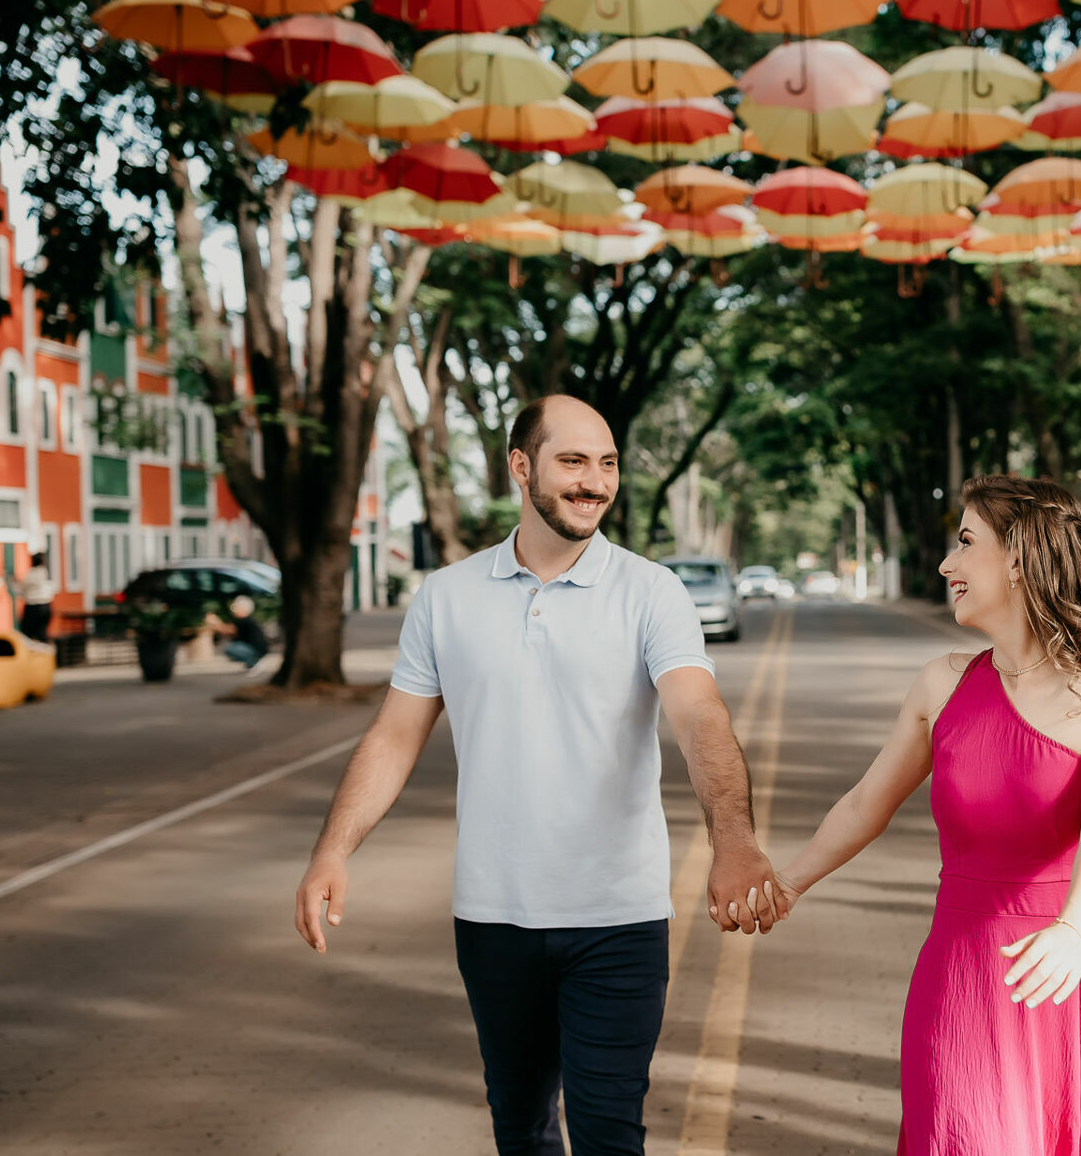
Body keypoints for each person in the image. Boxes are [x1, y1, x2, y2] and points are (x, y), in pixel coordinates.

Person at [294, 393, 782, 1155]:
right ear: (521, 467)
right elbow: (394, 735)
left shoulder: (650, 592)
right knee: (519, 1128)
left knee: (606, 1133)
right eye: (574, 461)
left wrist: (734, 837)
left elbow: (699, 717)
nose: (596, 481)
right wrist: (333, 849)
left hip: (618, 916)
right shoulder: (446, 597)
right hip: (493, 917)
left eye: (608, 463)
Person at [771, 475, 1081, 1156]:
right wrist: (788, 883)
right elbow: (866, 803)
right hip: (964, 982)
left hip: (1073, 973)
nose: (947, 564)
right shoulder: (941, 683)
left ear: (1018, 558)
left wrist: (1073, 927)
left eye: (965, 542)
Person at [204, 595, 269, 668]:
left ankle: (253, 661)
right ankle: (252, 662)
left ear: (243, 608)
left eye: (235, 607)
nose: (233, 610)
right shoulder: (247, 620)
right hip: (258, 649)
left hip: (256, 650)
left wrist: (215, 622)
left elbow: (226, 630)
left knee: (231, 649)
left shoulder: (244, 620)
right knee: (233, 647)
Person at [16, 551, 55, 643]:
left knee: (27, 634)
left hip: (32, 606)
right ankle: (45, 654)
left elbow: (21, 591)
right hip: (45, 605)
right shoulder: (46, 573)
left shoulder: (30, 575)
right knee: (42, 633)